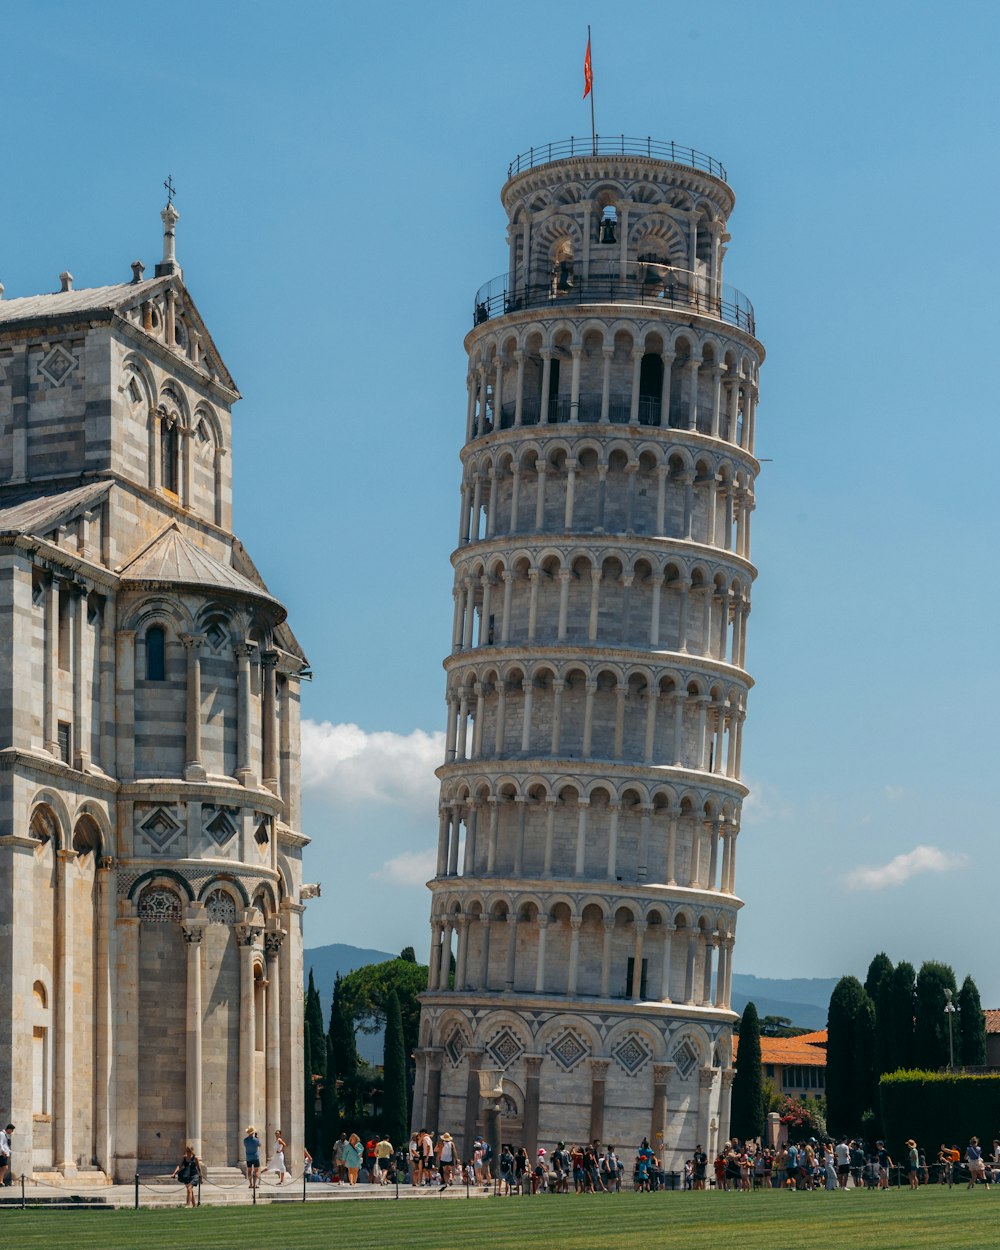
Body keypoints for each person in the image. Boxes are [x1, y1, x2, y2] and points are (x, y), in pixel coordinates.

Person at [0, 1124, 13, 1189]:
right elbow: (1, 1143)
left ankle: (1, 1181)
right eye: (11, 1130)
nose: (12, 1132)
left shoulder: (6, 1135)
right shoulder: (2, 1134)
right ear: (8, 1129)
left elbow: (6, 1146)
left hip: (5, 1154)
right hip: (2, 1154)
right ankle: (0, 1181)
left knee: (4, 1167)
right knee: (5, 1167)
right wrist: (3, 1151)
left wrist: (10, 1152)